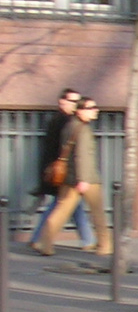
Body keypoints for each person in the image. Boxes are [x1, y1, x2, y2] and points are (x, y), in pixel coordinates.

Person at [33, 98, 112, 256]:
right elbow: (81, 156)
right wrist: (83, 179)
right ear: (80, 110)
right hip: (87, 178)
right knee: (98, 213)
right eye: (91, 108)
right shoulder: (82, 129)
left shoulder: (70, 126)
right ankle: (105, 245)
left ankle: (45, 243)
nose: (95, 110)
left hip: (68, 178)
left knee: (60, 212)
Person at [29, 88, 94, 249]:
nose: (75, 105)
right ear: (62, 101)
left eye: (77, 102)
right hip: (63, 172)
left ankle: (88, 239)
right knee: (62, 205)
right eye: (72, 101)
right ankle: (39, 238)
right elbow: (63, 150)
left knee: (69, 205)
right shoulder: (65, 122)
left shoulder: (59, 120)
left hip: (59, 171)